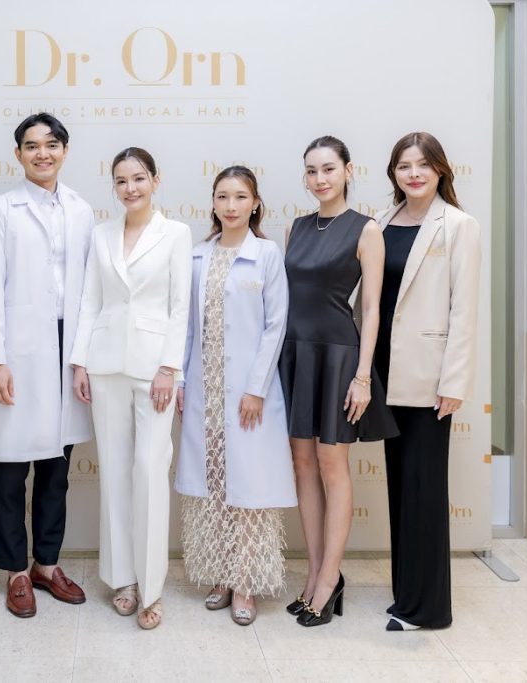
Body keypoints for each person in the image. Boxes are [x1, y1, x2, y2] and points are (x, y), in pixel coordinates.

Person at [0, 113, 94, 618]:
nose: (42, 153)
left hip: (67, 345)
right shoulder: (0, 210)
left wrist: (82, 357)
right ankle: (15, 572)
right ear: (18, 154)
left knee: (56, 467)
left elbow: (90, 291)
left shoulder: (82, 210)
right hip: (19, 348)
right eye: (31, 145)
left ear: (65, 151)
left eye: (51, 144)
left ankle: (47, 564)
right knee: (10, 466)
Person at [278, 136, 398, 627]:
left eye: (328, 168)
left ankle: (329, 580)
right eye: (311, 170)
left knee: (332, 465)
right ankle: (314, 575)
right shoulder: (296, 227)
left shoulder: (366, 229)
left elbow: (370, 309)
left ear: (348, 171)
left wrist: (363, 377)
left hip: (339, 356)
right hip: (296, 354)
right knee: (302, 464)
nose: (319, 178)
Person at [71, 147, 192, 630]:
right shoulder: (101, 234)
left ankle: (152, 587)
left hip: (154, 368)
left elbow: (180, 307)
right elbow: (90, 301)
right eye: (121, 181)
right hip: (104, 365)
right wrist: (80, 362)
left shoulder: (175, 234)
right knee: (116, 472)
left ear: (155, 180)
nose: (130, 188)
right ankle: (122, 579)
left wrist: (169, 368)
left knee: (149, 470)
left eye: (138, 178)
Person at [174, 166, 296, 627]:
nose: (231, 206)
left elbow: (275, 325)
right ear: (212, 202)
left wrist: (255, 389)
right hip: (204, 393)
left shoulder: (266, 254)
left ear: (255, 203)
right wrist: (181, 381)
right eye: (222, 196)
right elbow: (187, 327)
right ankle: (220, 577)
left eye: (241, 196)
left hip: (249, 395)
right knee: (214, 489)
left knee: (248, 489)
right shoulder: (197, 255)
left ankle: (245, 582)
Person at [374, 132, 480, 631]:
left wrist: (454, 380)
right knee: (400, 485)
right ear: (393, 173)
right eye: (404, 166)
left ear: (440, 170)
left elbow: (465, 309)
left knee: (424, 488)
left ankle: (427, 610)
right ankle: (407, 592)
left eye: (423, 165)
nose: (413, 174)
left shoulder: (458, 225)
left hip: (429, 375)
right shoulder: (381, 221)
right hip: (383, 372)